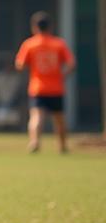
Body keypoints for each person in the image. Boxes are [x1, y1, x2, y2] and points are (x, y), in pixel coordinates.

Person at [14, 11, 75, 153]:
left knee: (36, 116)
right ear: (50, 27)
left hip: (37, 87)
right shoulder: (58, 44)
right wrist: (62, 74)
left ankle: (35, 141)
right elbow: (71, 64)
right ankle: (62, 146)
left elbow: (20, 64)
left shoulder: (30, 44)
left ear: (35, 27)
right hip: (56, 87)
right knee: (59, 119)